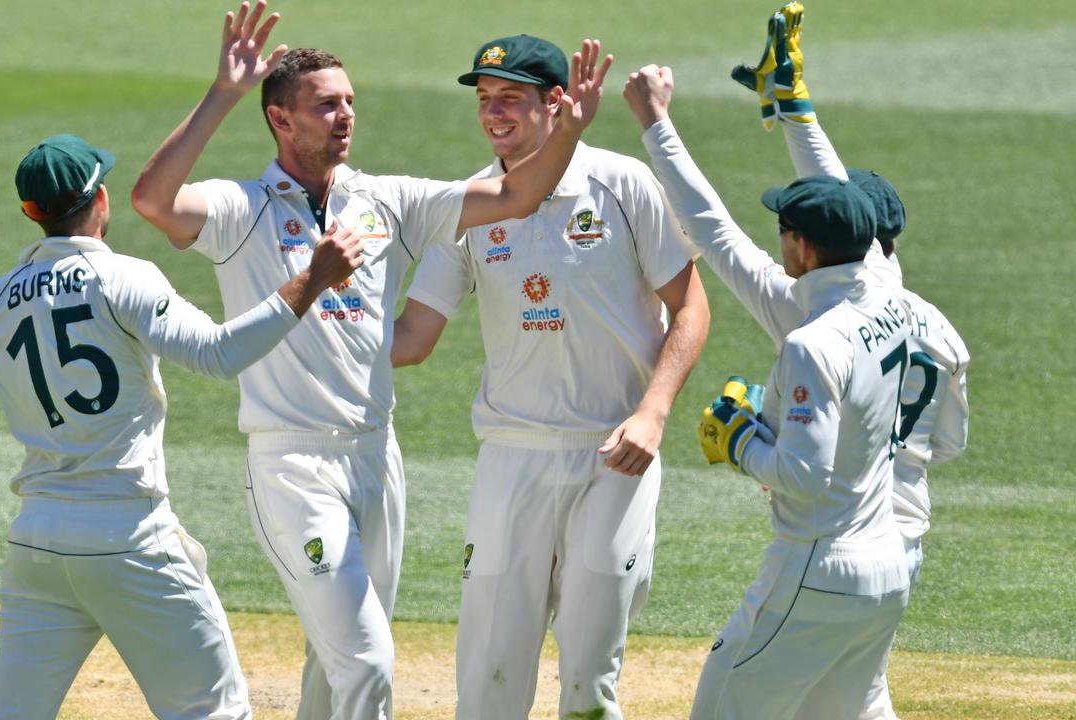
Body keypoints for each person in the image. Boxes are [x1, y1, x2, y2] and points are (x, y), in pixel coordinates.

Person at [129, 3, 611, 718]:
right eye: (325, 106)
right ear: (281, 121)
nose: (345, 116)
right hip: (293, 466)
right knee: (368, 662)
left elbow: (517, 192)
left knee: (338, 667)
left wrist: (568, 128)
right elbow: (151, 199)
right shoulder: (241, 209)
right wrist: (223, 93)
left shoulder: (386, 202)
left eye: (349, 101)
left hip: (375, 458)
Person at [0, 133, 364, 720]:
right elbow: (219, 354)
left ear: (31, 212)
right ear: (101, 200)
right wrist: (311, 279)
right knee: (213, 711)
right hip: (130, 540)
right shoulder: (124, 278)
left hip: (37, 546)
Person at [389, 34, 709, 720]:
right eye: (484, 100)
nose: (493, 114)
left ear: (556, 103)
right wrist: (316, 334)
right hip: (513, 458)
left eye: (510, 99)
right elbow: (412, 337)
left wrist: (652, 413)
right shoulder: (471, 205)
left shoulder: (621, 184)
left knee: (590, 681)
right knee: (489, 679)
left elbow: (690, 306)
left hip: (615, 455)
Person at [626, 63, 914, 718]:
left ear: (804, 249)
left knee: (722, 707)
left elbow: (801, 475)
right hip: (884, 571)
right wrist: (794, 108)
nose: (776, 238)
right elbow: (831, 201)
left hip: (816, 571)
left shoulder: (813, 339)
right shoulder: (887, 292)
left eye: (785, 229)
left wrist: (741, 438)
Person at [725, 5, 970, 717]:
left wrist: (745, 439)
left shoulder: (841, 317)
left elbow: (824, 201)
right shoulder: (913, 309)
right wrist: (794, 104)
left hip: (842, 537)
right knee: (859, 699)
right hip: (904, 535)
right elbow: (951, 444)